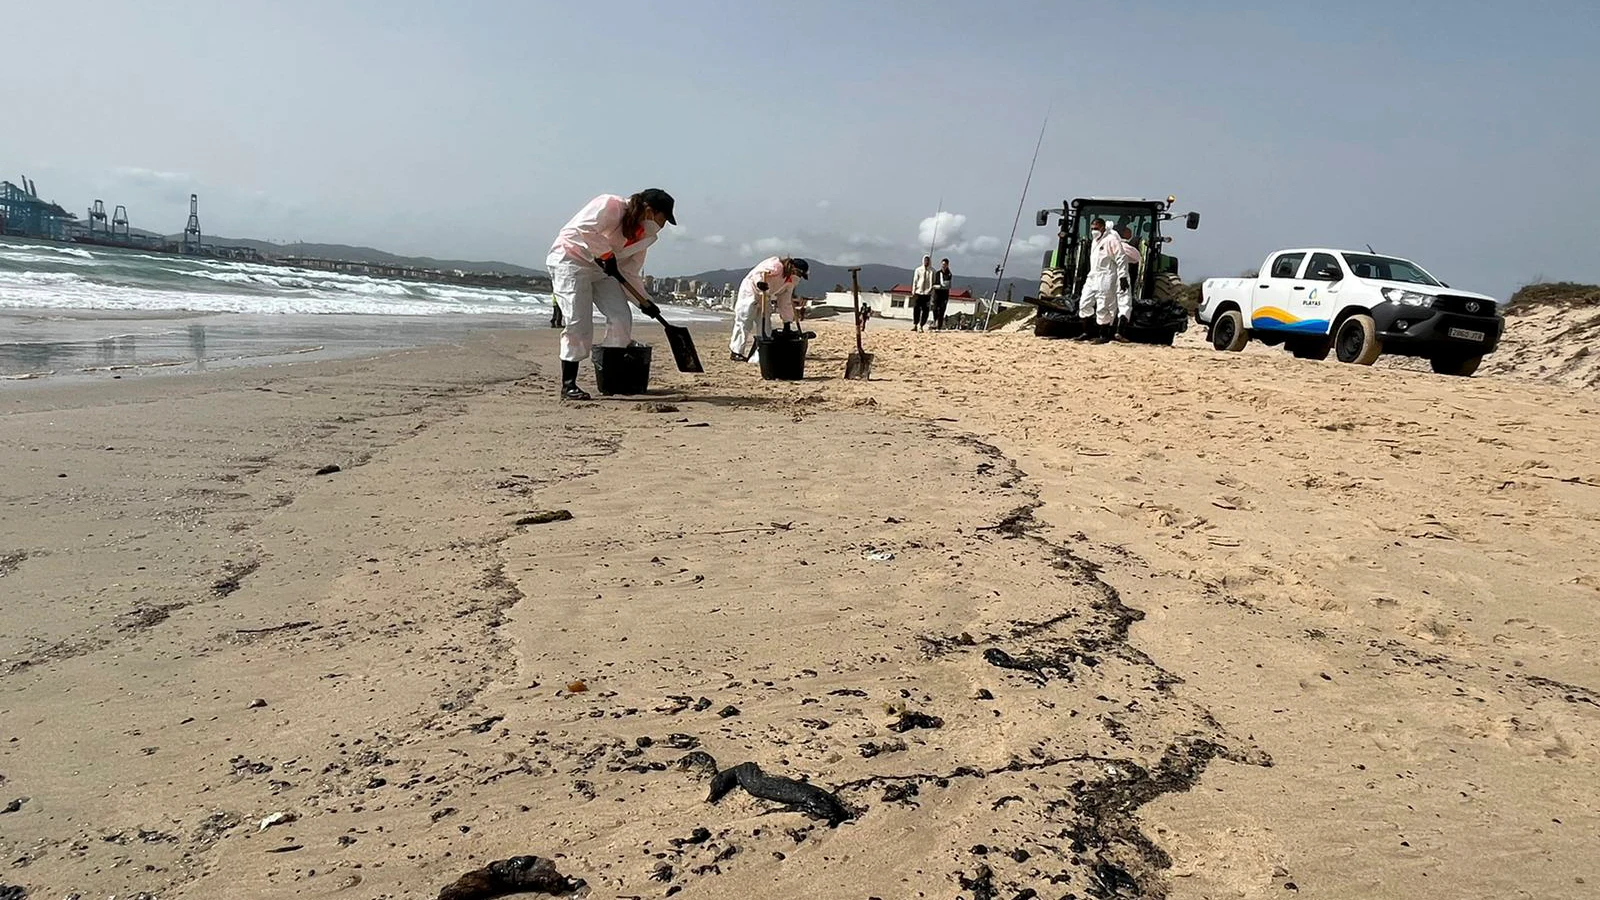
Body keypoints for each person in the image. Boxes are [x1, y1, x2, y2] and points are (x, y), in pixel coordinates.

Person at [545, 189, 675, 400]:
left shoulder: (645, 237)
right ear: (649, 211)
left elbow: (630, 272)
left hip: (603, 270)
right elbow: (584, 229)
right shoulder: (611, 205)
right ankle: (568, 384)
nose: (663, 225)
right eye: (664, 218)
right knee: (579, 322)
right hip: (570, 260)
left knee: (621, 317)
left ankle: (611, 377)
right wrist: (605, 253)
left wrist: (644, 301)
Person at [730, 255, 809, 361]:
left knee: (765, 323)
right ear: (794, 268)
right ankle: (736, 351)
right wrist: (760, 283)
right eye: (799, 273)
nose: (798, 276)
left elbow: (785, 301)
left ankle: (761, 352)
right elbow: (759, 273)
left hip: (765, 295)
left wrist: (787, 322)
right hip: (750, 291)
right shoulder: (776, 265)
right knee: (745, 320)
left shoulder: (791, 281)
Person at [1074, 217, 1125, 344]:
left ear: (1103, 227)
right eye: (1092, 229)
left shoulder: (1111, 240)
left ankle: (1104, 334)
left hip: (1106, 275)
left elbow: (1121, 258)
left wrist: (1123, 276)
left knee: (1103, 305)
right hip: (1093, 275)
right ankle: (1086, 332)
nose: (1093, 231)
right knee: (1084, 303)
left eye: (1096, 228)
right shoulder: (1095, 241)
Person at [1115, 225, 1142, 342]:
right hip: (1121, 279)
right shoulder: (1125, 247)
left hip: (1103, 279)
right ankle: (1119, 332)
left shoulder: (1101, 245)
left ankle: (1103, 333)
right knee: (1124, 305)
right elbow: (1137, 259)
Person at [910, 255, 934, 332]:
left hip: (927, 294)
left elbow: (933, 283)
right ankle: (915, 324)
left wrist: (931, 292)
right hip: (918, 292)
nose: (926, 262)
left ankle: (921, 325)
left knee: (925, 311)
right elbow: (915, 281)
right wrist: (913, 290)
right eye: (925, 260)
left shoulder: (933, 271)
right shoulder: (918, 270)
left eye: (928, 260)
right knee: (916, 309)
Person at [931, 258, 953, 330]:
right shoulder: (937, 273)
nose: (943, 266)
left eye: (945, 265)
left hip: (944, 295)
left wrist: (942, 286)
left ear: (947, 265)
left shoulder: (949, 274)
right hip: (937, 294)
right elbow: (934, 283)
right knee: (934, 309)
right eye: (942, 264)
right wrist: (935, 286)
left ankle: (939, 326)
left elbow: (947, 285)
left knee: (942, 310)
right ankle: (935, 320)